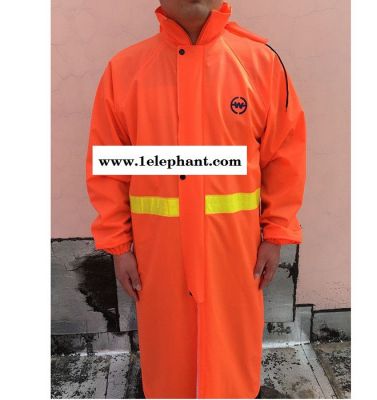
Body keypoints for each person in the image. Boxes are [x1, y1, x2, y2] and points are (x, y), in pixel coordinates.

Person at [86, 0, 306, 398]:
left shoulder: (260, 64)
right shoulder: (125, 71)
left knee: (232, 350)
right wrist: (118, 245)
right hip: (159, 256)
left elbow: (283, 157)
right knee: (168, 353)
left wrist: (276, 234)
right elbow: (109, 166)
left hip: (235, 255)